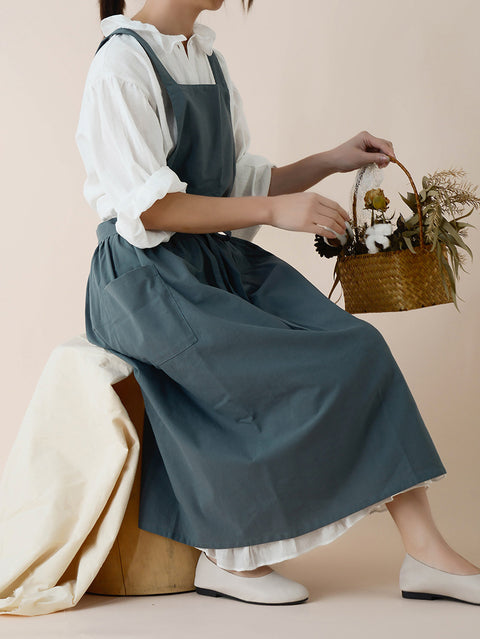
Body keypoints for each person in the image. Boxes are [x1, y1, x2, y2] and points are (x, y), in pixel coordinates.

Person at [75, 0, 480, 606]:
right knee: (265, 370)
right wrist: (273, 212)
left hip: (208, 261)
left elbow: (233, 182)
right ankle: (227, 555)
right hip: (144, 279)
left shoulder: (204, 56)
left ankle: (426, 553)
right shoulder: (121, 66)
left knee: (357, 347)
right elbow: (151, 208)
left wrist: (330, 160)